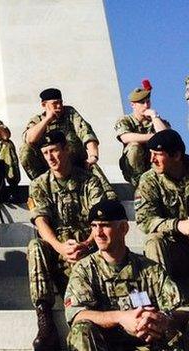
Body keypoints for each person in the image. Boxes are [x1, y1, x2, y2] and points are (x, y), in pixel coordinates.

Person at [65, 200, 188, 350]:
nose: (98, 233)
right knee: (81, 330)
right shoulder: (84, 269)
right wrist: (121, 317)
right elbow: (77, 314)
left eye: (105, 225)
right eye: (94, 226)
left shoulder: (149, 268)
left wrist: (162, 320)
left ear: (123, 228)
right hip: (106, 345)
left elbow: (182, 308)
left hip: (147, 343)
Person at [26, 130, 107, 350]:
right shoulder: (39, 184)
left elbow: (100, 218)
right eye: (45, 153)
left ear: (67, 150)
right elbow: (41, 221)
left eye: (53, 151)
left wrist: (88, 243)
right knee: (35, 246)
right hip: (57, 249)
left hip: (86, 246)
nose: (50, 157)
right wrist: (60, 247)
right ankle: (45, 319)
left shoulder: (89, 181)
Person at [19, 88, 116, 200]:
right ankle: (44, 186)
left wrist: (93, 156)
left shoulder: (70, 113)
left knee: (93, 167)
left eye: (60, 103)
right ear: (44, 105)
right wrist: (47, 119)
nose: (59, 107)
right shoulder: (37, 120)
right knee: (25, 150)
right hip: (51, 168)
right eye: (55, 104)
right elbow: (30, 139)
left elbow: (85, 132)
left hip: (75, 163)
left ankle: (110, 198)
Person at [135, 129, 189, 296]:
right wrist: (178, 225)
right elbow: (145, 220)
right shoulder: (149, 180)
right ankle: (166, 302)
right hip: (174, 246)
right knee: (153, 241)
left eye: (158, 154)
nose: (152, 159)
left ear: (176, 156)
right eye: (151, 153)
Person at [115, 80, 169, 186]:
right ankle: (139, 183)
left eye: (148, 101)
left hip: (156, 163)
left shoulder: (157, 120)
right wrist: (154, 137)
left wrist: (154, 116)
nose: (146, 105)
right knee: (133, 146)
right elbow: (126, 137)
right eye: (142, 102)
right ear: (133, 105)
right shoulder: (126, 120)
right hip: (134, 166)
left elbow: (166, 137)